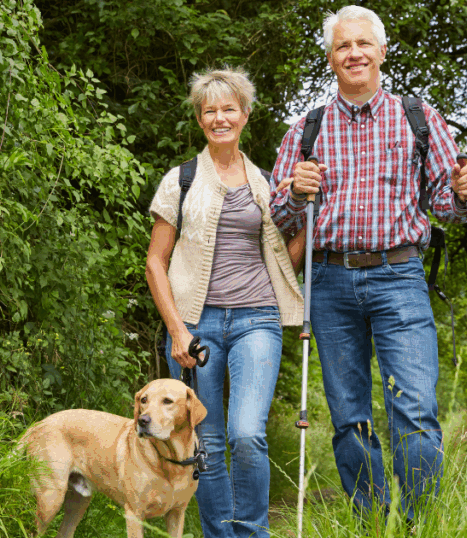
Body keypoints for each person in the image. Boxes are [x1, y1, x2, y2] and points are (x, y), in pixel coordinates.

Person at [269, 5, 467, 523]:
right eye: (343, 46)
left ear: (382, 52)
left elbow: (447, 206)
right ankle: (370, 521)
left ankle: (418, 524)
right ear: (330, 59)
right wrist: (296, 194)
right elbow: (276, 214)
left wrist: (464, 192)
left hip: (399, 276)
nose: (354, 53)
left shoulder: (419, 118)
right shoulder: (307, 128)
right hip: (329, 278)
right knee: (348, 418)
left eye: (363, 44)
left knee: (413, 411)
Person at [146, 67, 304, 537]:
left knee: (247, 433)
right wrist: (178, 330)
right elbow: (156, 262)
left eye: (228, 109)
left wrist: (310, 225)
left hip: (258, 318)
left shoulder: (267, 183)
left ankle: (252, 533)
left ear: (245, 115)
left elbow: (283, 261)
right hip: (197, 324)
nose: (220, 118)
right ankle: (218, 533)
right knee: (205, 438)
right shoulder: (181, 180)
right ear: (199, 119)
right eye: (210, 110)